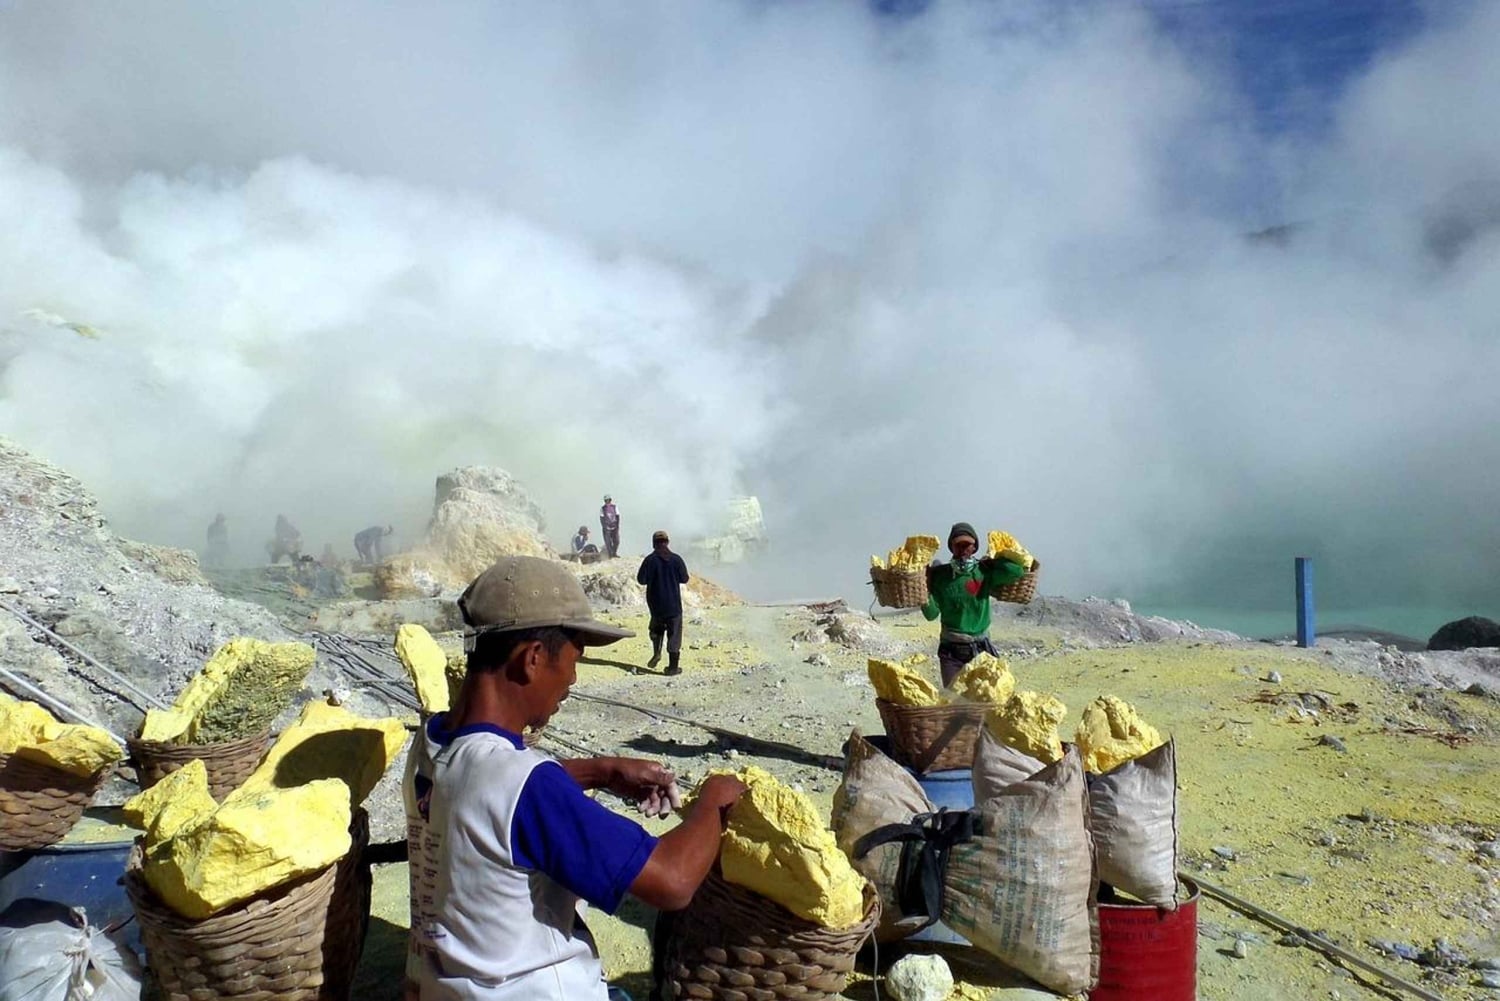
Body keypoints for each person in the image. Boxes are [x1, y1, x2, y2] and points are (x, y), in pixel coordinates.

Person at [413, 556, 747, 1001]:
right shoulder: (527, 785)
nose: (571, 680)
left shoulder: (432, 741)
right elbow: (672, 882)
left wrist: (599, 771)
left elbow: (482, 794)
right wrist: (714, 800)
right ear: (532, 658)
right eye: (573, 661)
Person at [922, 521, 1029, 687]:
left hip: (981, 649)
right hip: (952, 653)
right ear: (952, 547)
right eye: (959, 544)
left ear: (975, 548)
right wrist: (925, 589)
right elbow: (931, 614)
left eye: (968, 544)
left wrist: (994, 561)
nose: (963, 549)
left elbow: (1016, 571)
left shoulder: (984, 572)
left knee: (990, 698)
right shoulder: (941, 576)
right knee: (955, 702)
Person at [637, 530, 689, 675]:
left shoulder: (649, 560)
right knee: (674, 636)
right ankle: (673, 668)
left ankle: (657, 652)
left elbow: (641, 580)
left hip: (656, 606)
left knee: (656, 631)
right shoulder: (676, 559)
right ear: (667, 542)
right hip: (673, 606)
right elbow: (684, 579)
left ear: (654, 544)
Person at [599, 495, 620, 559]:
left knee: (616, 541)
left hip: (614, 527)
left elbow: (618, 516)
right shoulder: (602, 508)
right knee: (608, 542)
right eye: (606, 500)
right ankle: (610, 555)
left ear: (610, 500)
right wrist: (604, 527)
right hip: (606, 528)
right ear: (604, 501)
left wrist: (617, 526)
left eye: (608, 500)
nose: (607, 501)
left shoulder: (614, 507)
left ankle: (614, 553)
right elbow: (601, 518)